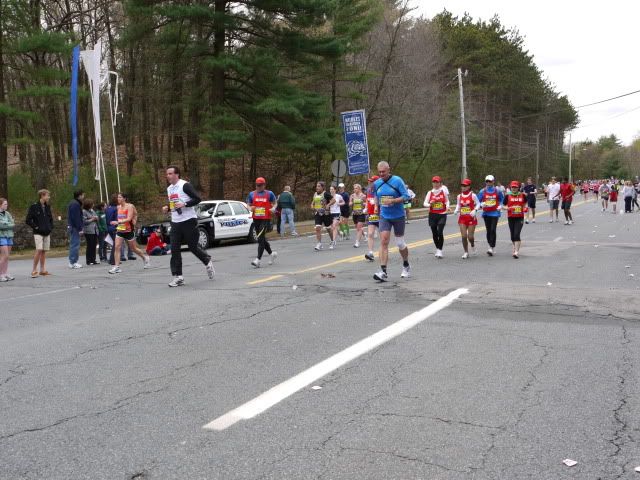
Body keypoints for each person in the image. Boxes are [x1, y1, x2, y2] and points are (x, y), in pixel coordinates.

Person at [163, 166, 215, 286]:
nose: (168, 176)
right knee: (174, 249)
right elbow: (174, 204)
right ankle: (178, 276)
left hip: (188, 220)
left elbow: (197, 199)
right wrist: (168, 208)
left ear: (177, 174)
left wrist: (185, 204)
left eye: (170, 173)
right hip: (176, 221)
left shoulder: (184, 185)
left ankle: (207, 260)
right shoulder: (169, 188)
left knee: (193, 247)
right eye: (167, 174)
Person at [372, 161, 411, 281]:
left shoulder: (397, 180)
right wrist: (376, 206)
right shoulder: (377, 183)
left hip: (398, 215)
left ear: (389, 169)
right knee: (384, 241)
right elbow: (376, 195)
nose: (381, 174)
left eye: (383, 171)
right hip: (385, 216)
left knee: (399, 243)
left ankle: (406, 264)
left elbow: (406, 196)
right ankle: (383, 271)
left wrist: (393, 201)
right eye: (379, 172)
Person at [108, 193, 150, 274]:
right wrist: (118, 223)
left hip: (129, 230)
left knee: (133, 249)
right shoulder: (118, 207)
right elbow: (120, 217)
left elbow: (129, 218)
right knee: (117, 246)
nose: (118, 199)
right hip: (120, 229)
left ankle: (145, 258)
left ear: (124, 198)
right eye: (117, 197)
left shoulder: (130, 206)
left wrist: (134, 220)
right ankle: (117, 267)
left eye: (120, 197)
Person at [247, 177, 278, 267]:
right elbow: (248, 204)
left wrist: (273, 208)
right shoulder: (252, 194)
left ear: (264, 185)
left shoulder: (269, 194)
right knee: (262, 239)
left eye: (260, 185)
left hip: (265, 219)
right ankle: (272, 254)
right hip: (256, 219)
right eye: (257, 185)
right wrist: (250, 208)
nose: (258, 187)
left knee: (260, 238)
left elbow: (275, 203)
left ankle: (258, 260)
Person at [25, 189, 54, 278]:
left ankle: (42, 270)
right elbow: (28, 220)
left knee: (44, 251)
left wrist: (50, 227)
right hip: (38, 232)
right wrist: (36, 227)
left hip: (47, 232)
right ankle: (34, 270)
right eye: (47, 195)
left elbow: (50, 219)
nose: (48, 197)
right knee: (39, 250)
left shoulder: (48, 207)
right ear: (42, 195)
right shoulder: (34, 207)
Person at [477, 175, 504, 256]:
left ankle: (491, 247)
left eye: (490, 181)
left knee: (493, 229)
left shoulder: (498, 191)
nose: (488, 183)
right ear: (485, 182)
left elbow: (502, 199)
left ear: (493, 181)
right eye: (487, 181)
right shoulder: (482, 191)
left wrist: (500, 206)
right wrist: (482, 204)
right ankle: (490, 245)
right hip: (486, 213)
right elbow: (477, 201)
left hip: (495, 213)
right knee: (488, 230)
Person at [423, 175, 449, 258]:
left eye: (437, 182)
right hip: (432, 215)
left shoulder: (443, 192)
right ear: (432, 183)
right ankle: (437, 248)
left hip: (442, 214)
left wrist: (447, 207)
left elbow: (447, 201)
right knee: (434, 233)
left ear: (440, 183)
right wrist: (430, 204)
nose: (435, 184)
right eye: (434, 182)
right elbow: (425, 203)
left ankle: (440, 250)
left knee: (440, 232)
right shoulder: (429, 193)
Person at [454, 178, 479, 259]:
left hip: (471, 218)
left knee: (470, 237)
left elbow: (478, 204)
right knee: (464, 236)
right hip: (462, 219)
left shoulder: (473, 195)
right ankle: (466, 252)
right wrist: (456, 209)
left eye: (465, 186)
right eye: (462, 186)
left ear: (469, 186)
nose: (463, 187)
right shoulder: (459, 196)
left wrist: (475, 210)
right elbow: (458, 204)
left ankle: (472, 245)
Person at [503, 181, 527, 258]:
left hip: (519, 217)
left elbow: (525, 203)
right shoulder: (507, 196)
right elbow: (503, 206)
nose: (514, 188)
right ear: (510, 187)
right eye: (512, 187)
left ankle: (516, 252)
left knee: (517, 234)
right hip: (511, 217)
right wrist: (508, 208)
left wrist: (525, 208)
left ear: (518, 188)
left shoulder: (522, 195)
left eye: (515, 187)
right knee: (512, 236)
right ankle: (515, 246)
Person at [311, 181, 334, 251]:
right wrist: (312, 206)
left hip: (326, 214)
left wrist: (328, 205)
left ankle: (333, 241)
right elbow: (313, 203)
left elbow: (333, 200)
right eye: (316, 186)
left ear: (322, 187)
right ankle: (319, 243)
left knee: (328, 229)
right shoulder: (315, 194)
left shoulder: (326, 194)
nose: (317, 187)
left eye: (318, 186)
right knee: (317, 228)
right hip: (318, 214)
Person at [67, 189, 85, 268]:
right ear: (80, 195)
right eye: (83, 195)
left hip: (73, 227)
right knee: (75, 245)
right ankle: (73, 262)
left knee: (74, 244)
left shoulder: (74, 203)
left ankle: (73, 261)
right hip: (75, 228)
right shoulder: (75, 204)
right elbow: (76, 218)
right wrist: (80, 228)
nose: (84, 197)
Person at [364, 175, 380, 261]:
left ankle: (384, 249)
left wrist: (377, 203)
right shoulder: (369, 190)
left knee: (383, 235)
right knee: (370, 234)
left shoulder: (380, 190)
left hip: (380, 215)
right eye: (370, 181)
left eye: (372, 181)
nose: (370, 183)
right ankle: (370, 253)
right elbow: (367, 199)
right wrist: (366, 207)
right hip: (371, 215)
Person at [0, 198, 15, 282]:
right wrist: (8, 224)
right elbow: (1, 226)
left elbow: (13, 223)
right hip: (1, 237)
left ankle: (4, 273)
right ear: (0, 205)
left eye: (7, 204)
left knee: (7, 257)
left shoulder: (7, 213)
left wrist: (7, 224)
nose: (7, 205)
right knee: (4, 256)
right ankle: (0, 274)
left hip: (9, 236)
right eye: (5, 204)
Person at [350, 183, 367, 248]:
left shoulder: (363, 196)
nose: (354, 190)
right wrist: (351, 203)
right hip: (355, 214)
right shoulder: (352, 195)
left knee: (359, 228)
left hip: (361, 213)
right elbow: (349, 203)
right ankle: (364, 235)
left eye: (356, 188)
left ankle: (357, 242)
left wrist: (363, 203)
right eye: (354, 188)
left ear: (359, 189)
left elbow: (366, 204)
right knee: (357, 227)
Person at [82, 199, 100, 265]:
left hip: (95, 230)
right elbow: (84, 222)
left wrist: (97, 218)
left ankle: (93, 259)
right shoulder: (84, 211)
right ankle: (88, 260)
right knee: (90, 245)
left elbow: (97, 217)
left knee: (94, 245)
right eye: (92, 204)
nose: (93, 205)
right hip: (88, 231)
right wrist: (92, 219)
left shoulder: (92, 210)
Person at [329, 185, 345, 250]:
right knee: (332, 227)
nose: (331, 190)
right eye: (330, 189)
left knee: (334, 226)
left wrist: (339, 204)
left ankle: (334, 241)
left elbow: (343, 202)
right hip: (330, 213)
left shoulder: (339, 196)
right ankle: (340, 234)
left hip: (337, 212)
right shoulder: (328, 196)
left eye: (332, 189)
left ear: (335, 190)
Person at [105, 194, 119, 265]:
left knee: (114, 243)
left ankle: (113, 259)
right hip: (114, 227)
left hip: (108, 227)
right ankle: (112, 259)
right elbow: (117, 219)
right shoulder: (116, 208)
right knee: (116, 243)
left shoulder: (107, 208)